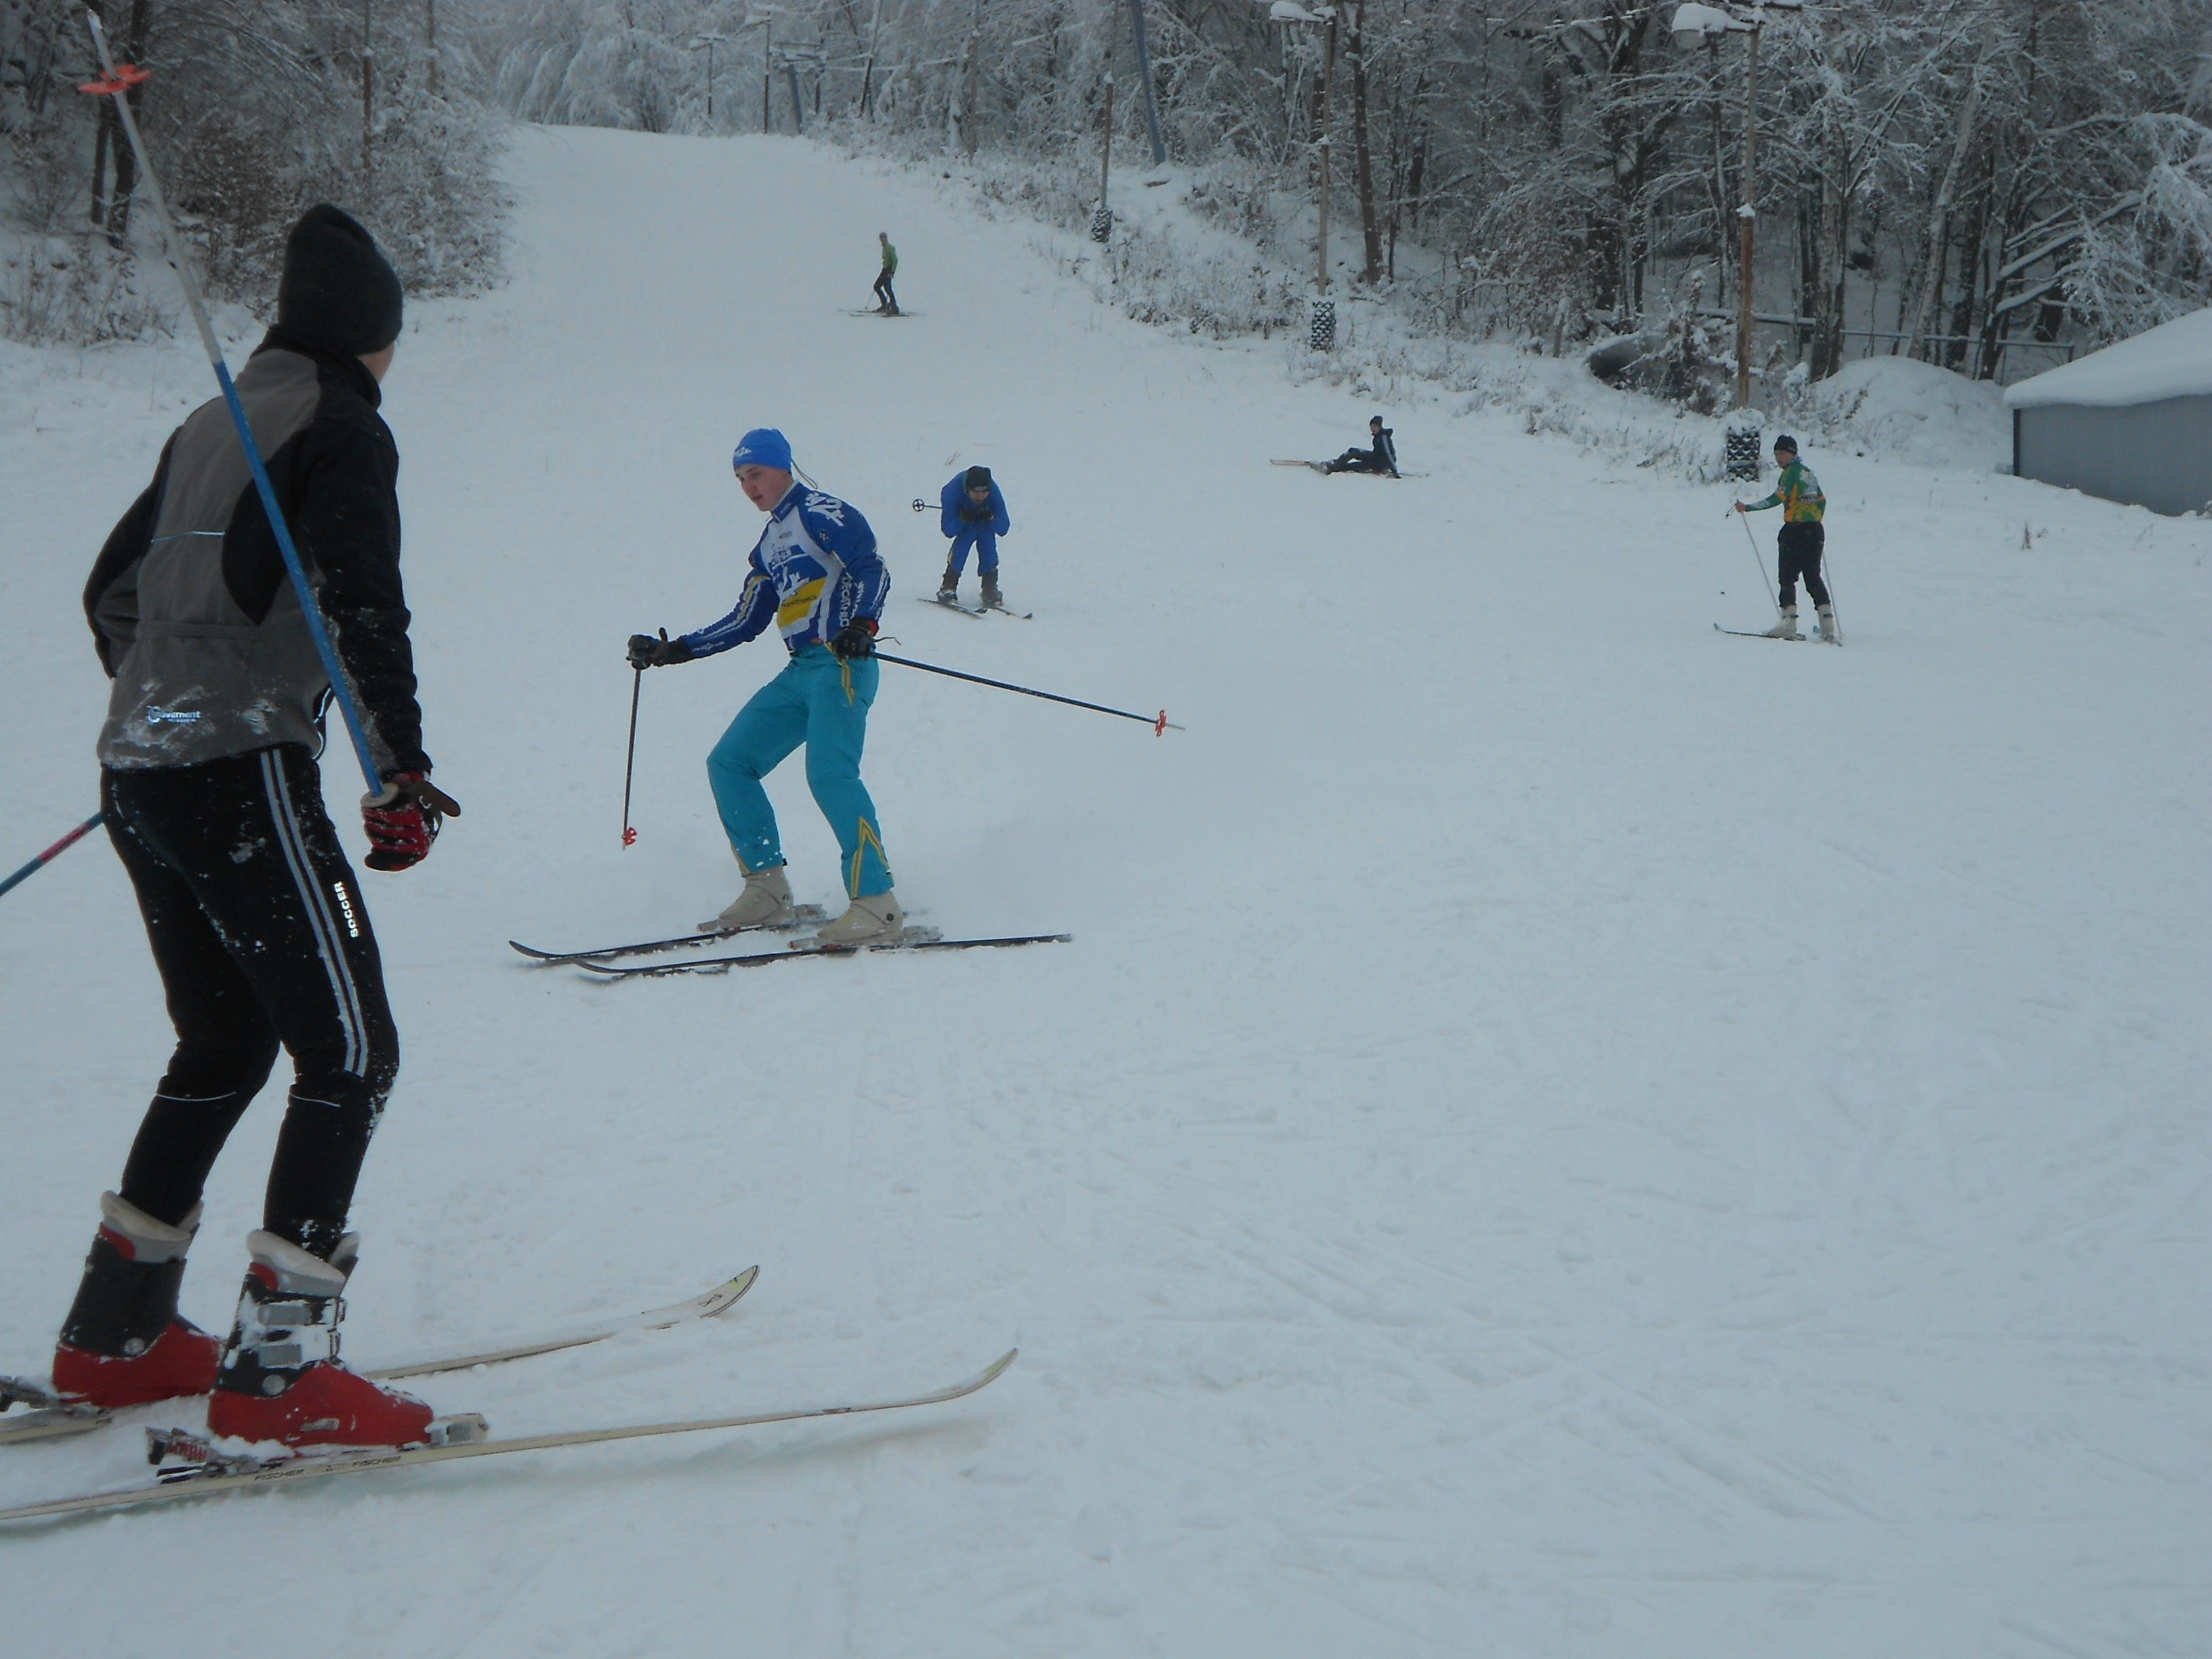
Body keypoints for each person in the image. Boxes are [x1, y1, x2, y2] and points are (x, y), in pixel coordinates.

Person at [58, 204, 458, 1450]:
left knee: (223, 1037)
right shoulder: (340, 421)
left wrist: (164, 697)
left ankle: (116, 1334)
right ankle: (276, 1372)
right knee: (351, 1049)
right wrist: (400, 771)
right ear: (370, 336)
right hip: (237, 768)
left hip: (143, 768)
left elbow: (110, 589)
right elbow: (361, 600)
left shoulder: (214, 419)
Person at [627, 429, 903, 945]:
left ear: (782, 468)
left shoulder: (823, 513)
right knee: (730, 763)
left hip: (842, 665)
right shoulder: (768, 545)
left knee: (829, 774)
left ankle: (877, 904)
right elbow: (746, 619)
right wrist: (674, 650)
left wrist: (861, 626)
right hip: (801, 671)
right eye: (740, 479)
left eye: (755, 473)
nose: (748, 486)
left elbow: (872, 567)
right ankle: (768, 889)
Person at [1736, 434, 1837, 642]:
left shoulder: (1790, 473)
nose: (1778, 458)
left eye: (1782, 453)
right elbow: (1822, 501)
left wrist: (1748, 507)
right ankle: (1828, 625)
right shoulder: (1808, 473)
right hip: (1816, 530)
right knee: (1813, 577)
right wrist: (1814, 518)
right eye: (1776, 453)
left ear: (1792, 454)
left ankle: (1788, 623)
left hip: (1795, 531)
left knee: (1787, 577)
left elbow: (1777, 498)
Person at [937, 465, 1010, 610]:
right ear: (967, 489)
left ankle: (990, 588)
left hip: (984, 524)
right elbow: (948, 529)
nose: (980, 496)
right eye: (976, 492)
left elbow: (1004, 527)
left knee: (988, 547)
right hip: (966, 525)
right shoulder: (952, 492)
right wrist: (962, 519)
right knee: (962, 546)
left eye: (984, 492)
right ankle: (948, 586)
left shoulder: (994, 492)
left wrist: (991, 517)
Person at [1322, 416, 1399, 476]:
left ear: (1380, 427)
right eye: (1372, 426)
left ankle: (1334, 468)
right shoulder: (1378, 436)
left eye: (1375, 426)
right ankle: (1336, 463)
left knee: (1354, 466)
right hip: (1375, 458)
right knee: (1354, 451)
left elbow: (1389, 455)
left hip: (1381, 464)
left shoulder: (1383, 437)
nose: (1373, 429)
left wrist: (1394, 471)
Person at [872, 232, 899, 315]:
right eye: (880, 238)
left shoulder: (889, 248)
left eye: (883, 238)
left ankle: (894, 307)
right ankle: (885, 305)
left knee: (888, 288)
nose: (881, 240)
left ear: (886, 238)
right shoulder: (885, 247)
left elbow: (895, 260)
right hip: (884, 270)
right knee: (877, 286)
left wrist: (892, 272)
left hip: (888, 270)